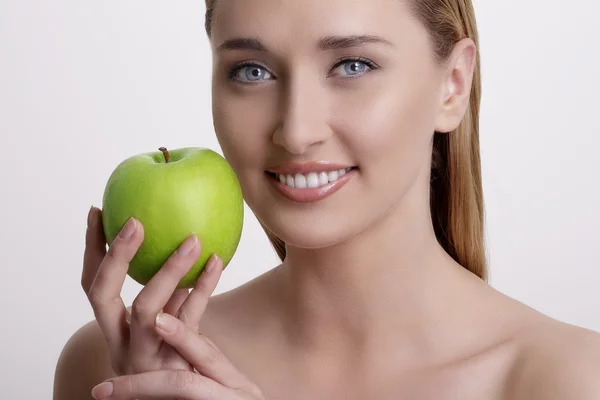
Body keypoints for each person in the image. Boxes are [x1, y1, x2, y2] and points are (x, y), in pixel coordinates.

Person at [53, 0, 600, 398]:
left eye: (353, 65)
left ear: (452, 85)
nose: (295, 131)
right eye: (252, 71)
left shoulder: (567, 380)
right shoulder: (113, 367)